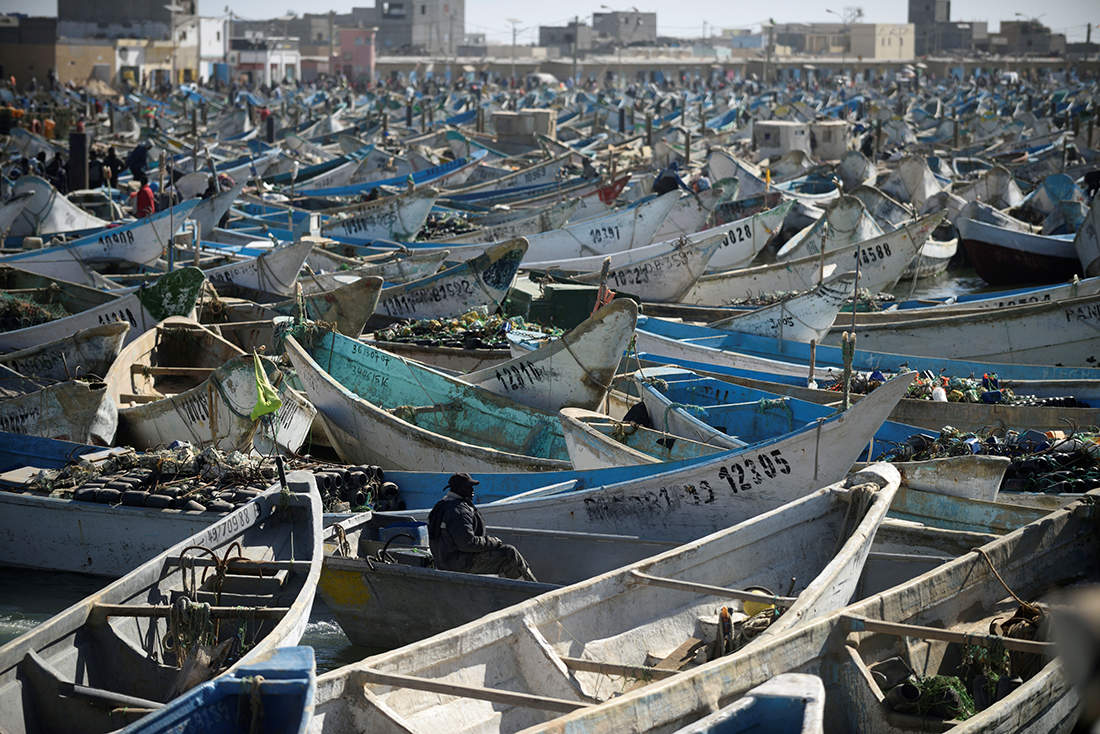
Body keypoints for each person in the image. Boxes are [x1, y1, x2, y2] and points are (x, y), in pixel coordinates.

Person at [427, 473, 537, 581]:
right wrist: (493, 541)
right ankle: (532, 589)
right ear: (459, 489)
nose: (472, 490)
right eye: (468, 487)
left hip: (444, 560)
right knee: (509, 554)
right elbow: (467, 543)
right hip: (458, 564)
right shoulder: (459, 511)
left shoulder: (441, 505)